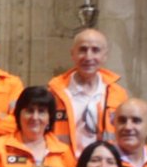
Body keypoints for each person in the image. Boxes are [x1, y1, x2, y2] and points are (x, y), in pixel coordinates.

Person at [47, 28, 129, 157]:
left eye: (95, 50)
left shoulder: (118, 95)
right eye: (83, 50)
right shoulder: (54, 93)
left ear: (105, 56)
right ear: (72, 54)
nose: (88, 57)